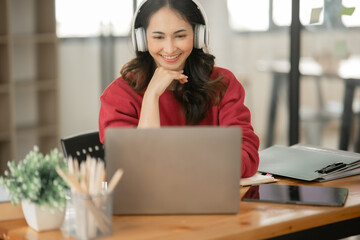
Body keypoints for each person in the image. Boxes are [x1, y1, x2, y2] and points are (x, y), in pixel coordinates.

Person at [99, 0, 259, 177]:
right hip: (147, 203)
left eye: (180, 36)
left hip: (210, 199)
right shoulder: (119, 95)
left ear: (198, 35)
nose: (169, 49)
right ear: (142, 39)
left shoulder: (222, 83)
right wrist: (151, 96)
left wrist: (181, 168)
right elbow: (136, 168)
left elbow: (247, 156)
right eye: (158, 37)